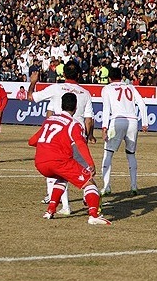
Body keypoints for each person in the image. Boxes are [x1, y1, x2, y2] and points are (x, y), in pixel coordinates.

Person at [28, 93, 111, 225]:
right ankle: (94, 215)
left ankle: (50, 211)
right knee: (89, 182)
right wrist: (90, 164)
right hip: (58, 161)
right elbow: (81, 144)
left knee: (62, 178)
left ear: (61, 106)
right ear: (76, 107)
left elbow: (31, 141)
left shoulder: (49, 120)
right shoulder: (74, 124)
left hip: (40, 163)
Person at [27, 60, 96, 215]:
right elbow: (89, 119)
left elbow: (31, 97)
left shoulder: (55, 88)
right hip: (77, 136)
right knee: (86, 171)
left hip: (58, 137)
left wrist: (33, 82)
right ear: (79, 74)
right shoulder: (85, 93)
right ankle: (90, 200)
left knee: (58, 173)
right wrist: (88, 135)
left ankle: (64, 206)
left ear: (63, 74)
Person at [100, 66, 149, 196]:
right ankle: (133, 186)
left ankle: (106, 187)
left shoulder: (107, 88)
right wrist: (144, 122)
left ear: (109, 78)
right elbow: (142, 104)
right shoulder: (130, 87)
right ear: (121, 76)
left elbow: (106, 108)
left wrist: (104, 127)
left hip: (117, 121)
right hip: (133, 121)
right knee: (131, 154)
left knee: (108, 153)